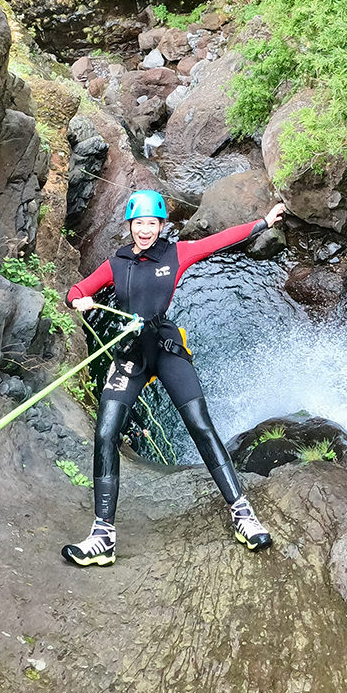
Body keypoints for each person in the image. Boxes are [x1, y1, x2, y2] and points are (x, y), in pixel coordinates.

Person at [62, 189, 286, 566]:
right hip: (130, 354)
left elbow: (218, 241)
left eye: (151, 223)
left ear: (161, 225)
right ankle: (103, 536)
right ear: (130, 226)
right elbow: (78, 289)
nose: (145, 230)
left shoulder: (175, 253)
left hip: (166, 349)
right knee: (105, 432)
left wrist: (262, 223)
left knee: (200, 425)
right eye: (139, 223)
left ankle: (243, 514)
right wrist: (77, 299)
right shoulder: (116, 263)